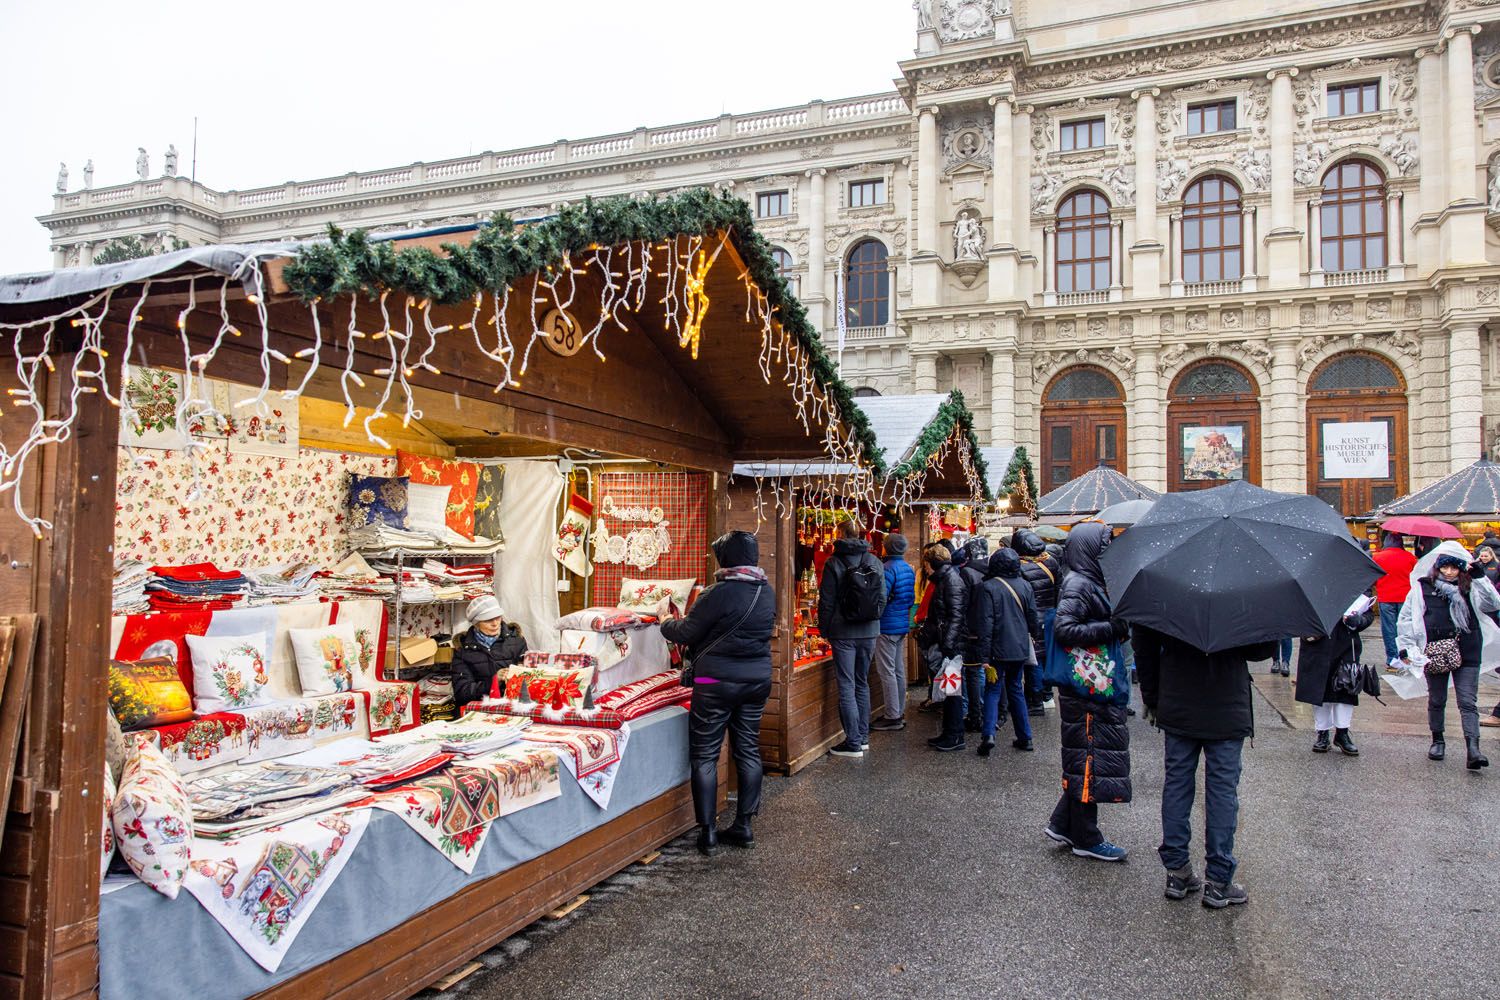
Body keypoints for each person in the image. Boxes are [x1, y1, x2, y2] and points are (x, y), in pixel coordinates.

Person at [1136, 623, 1277, 908]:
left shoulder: (1165, 588)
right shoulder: (1240, 588)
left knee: (1177, 785)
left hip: (1178, 701)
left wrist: (1152, 698)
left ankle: (1176, 872)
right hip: (1226, 704)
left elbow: (1144, 644)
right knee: (1222, 793)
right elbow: (1261, 649)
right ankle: (1218, 879)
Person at [661, 530, 776, 855]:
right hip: (756, 681)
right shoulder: (766, 592)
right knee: (748, 750)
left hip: (713, 683)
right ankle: (744, 826)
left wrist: (664, 621)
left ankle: (708, 831)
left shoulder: (717, 593)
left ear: (725, 559)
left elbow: (686, 632)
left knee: (705, 754)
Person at [1047, 522, 1132, 862]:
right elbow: (1065, 629)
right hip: (1085, 687)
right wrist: (1113, 626)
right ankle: (1086, 837)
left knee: (1086, 753)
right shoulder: (1079, 583)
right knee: (1089, 755)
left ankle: (1063, 823)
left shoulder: (1088, 579)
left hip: (1092, 682)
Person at [1397, 551, 1500, 769]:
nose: (1450, 572)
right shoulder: (1422, 587)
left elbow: (1493, 604)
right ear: (1437, 567)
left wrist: (1481, 578)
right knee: (1437, 698)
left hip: (1468, 649)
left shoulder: (1471, 586)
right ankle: (1438, 740)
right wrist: (1406, 648)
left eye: (1455, 568)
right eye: (1445, 567)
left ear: (1462, 569)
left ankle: (1473, 749)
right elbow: (1406, 618)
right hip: (1434, 650)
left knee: (1467, 701)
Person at [817, 519, 887, 759]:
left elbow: (826, 601)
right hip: (869, 630)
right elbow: (882, 597)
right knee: (861, 682)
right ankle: (863, 736)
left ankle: (853, 742)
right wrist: (874, 619)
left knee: (846, 685)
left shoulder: (833, 562)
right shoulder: (875, 561)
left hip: (843, 631)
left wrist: (824, 629)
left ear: (840, 533)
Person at [972, 548, 1043, 756]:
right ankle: (1025, 737)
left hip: (996, 649)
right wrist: (1034, 637)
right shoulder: (1026, 586)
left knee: (993, 690)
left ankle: (988, 735)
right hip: (1020, 648)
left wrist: (983, 657)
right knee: (1016, 690)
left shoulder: (988, 587)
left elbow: (985, 625)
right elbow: (1033, 618)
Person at [1295, 596, 1375, 755]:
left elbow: (1368, 614)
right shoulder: (1311, 585)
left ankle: (1342, 733)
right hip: (1317, 644)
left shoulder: (1354, 585)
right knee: (1320, 690)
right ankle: (1322, 733)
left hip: (1346, 645)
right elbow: (1299, 613)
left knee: (1345, 689)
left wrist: (1359, 621)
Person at [921, 544, 969, 751]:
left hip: (950, 646)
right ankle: (950, 732)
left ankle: (955, 735)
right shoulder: (946, 579)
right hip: (946, 643)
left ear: (933, 563)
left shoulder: (951, 581)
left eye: (926, 565)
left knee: (952, 691)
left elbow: (956, 616)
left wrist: (947, 645)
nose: (925, 569)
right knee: (949, 690)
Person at [1013, 529, 1061, 715]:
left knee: (1034, 660)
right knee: (1046, 656)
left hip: (1030, 617)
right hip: (1050, 616)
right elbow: (1059, 589)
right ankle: (1047, 694)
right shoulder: (1051, 561)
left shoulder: (1020, 567)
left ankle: (1035, 701)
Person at [871, 533, 916, 732]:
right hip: (901, 623)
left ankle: (892, 715)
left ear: (887, 548)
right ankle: (898, 710)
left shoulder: (887, 569)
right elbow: (909, 598)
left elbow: (881, 597)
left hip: (887, 625)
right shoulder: (907, 568)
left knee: (887, 670)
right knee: (898, 669)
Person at [451, 596, 528, 708]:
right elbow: (462, 693)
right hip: (481, 708)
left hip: (513, 706)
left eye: (498, 617)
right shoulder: (463, 649)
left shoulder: (516, 640)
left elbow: (530, 682)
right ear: (476, 623)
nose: (495, 623)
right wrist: (494, 681)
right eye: (488, 620)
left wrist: (521, 672)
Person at [954, 538, 992, 733]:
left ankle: (975, 716)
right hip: (987, 628)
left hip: (971, 630)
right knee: (981, 672)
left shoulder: (967, 573)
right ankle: (986, 713)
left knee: (972, 673)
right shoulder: (991, 571)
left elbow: (962, 604)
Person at [1373, 533, 1416, 671]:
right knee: (1405, 629)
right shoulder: (1410, 558)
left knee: (1389, 629)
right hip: (1405, 597)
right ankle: (1406, 657)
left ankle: (1392, 659)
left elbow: (1373, 577)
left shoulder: (1377, 557)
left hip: (1385, 597)